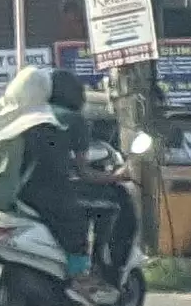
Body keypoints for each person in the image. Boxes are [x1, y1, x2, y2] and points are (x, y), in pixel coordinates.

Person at [0, 67, 92, 281]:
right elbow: (78, 170)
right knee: (77, 222)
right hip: (37, 192)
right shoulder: (57, 118)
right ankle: (79, 275)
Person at [48, 71, 136, 286]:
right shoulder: (73, 120)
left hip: (23, 190)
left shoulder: (26, 115)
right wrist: (116, 176)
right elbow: (84, 172)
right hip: (56, 191)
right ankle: (101, 264)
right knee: (116, 203)